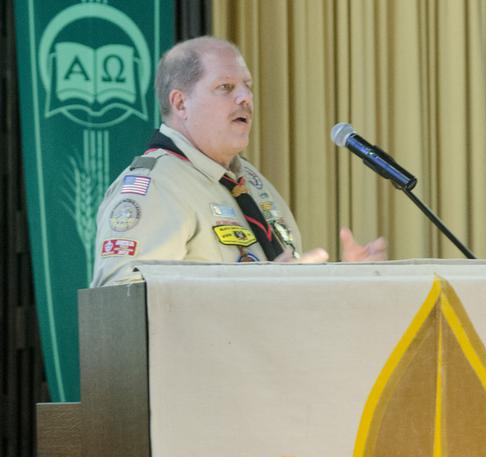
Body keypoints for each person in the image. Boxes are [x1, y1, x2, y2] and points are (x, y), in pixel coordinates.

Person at [91, 36, 385, 287]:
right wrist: (255, 292)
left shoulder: (250, 182)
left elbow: (285, 295)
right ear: (181, 103)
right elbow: (122, 301)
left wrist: (347, 278)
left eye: (247, 85)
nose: (246, 97)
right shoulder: (155, 187)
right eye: (226, 88)